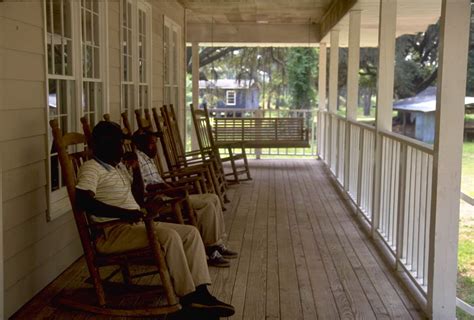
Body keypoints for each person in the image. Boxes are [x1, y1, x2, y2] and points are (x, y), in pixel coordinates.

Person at [75, 121, 235, 317]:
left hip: (134, 225)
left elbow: (138, 197)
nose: (122, 149)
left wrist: (134, 170)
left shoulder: (117, 167)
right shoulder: (91, 168)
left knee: (190, 233)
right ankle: (187, 298)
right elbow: (83, 201)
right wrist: (125, 214)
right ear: (105, 144)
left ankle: (201, 292)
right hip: (111, 233)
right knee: (169, 237)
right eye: (119, 144)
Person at [131, 130, 238, 268]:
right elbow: (145, 187)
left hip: (167, 193)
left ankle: (217, 243)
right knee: (206, 205)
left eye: (155, 143)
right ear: (142, 145)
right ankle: (211, 250)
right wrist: (169, 189)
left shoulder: (147, 159)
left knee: (214, 198)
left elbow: (159, 181)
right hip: (160, 201)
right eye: (152, 143)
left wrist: (172, 186)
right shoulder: (138, 160)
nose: (155, 147)